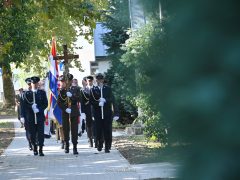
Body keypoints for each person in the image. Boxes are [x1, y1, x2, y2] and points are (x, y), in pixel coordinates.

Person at [89, 73, 119, 153]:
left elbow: (112, 99)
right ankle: (99, 144)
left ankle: (107, 146)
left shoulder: (108, 89)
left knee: (107, 130)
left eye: (101, 79)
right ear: (96, 80)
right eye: (98, 79)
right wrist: (97, 103)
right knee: (98, 130)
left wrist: (105, 100)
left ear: (103, 79)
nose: (100, 81)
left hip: (107, 113)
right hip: (97, 113)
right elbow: (91, 102)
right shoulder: (93, 90)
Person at [23, 76, 48, 156]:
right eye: (33, 83)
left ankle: (41, 149)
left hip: (40, 116)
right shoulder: (27, 94)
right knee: (32, 134)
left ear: (38, 84)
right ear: (31, 84)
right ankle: (34, 148)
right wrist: (31, 107)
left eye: (36, 83)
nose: (34, 85)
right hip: (31, 117)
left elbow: (45, 104)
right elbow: (25, 105)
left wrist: (39, 109)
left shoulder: (42, 93)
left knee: (40, 134)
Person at [57, 74, 81, 155]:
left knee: (74, 130)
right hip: (66, 113)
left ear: (70, 81)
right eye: (65, 81)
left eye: (68, 81)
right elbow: (59, 102)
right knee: (66, 130)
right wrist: (65, 109)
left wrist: (72, 96)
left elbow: (79, 99)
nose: (67, 82)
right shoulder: (62, 90)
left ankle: (75, 146)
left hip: (74, 112)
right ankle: (67, 145)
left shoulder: (76, 89)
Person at [80, 76, 94, 147]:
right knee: (89, 125)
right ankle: (90, 139)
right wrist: (82, 112)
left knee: (96, 125)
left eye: (91, 80)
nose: (89, 82)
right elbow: (82, 102)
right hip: (88, 110)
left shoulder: (96, 88)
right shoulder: (83, 90)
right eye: (88, 81)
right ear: (86, 81)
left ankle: (97, 139)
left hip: (95, 110)